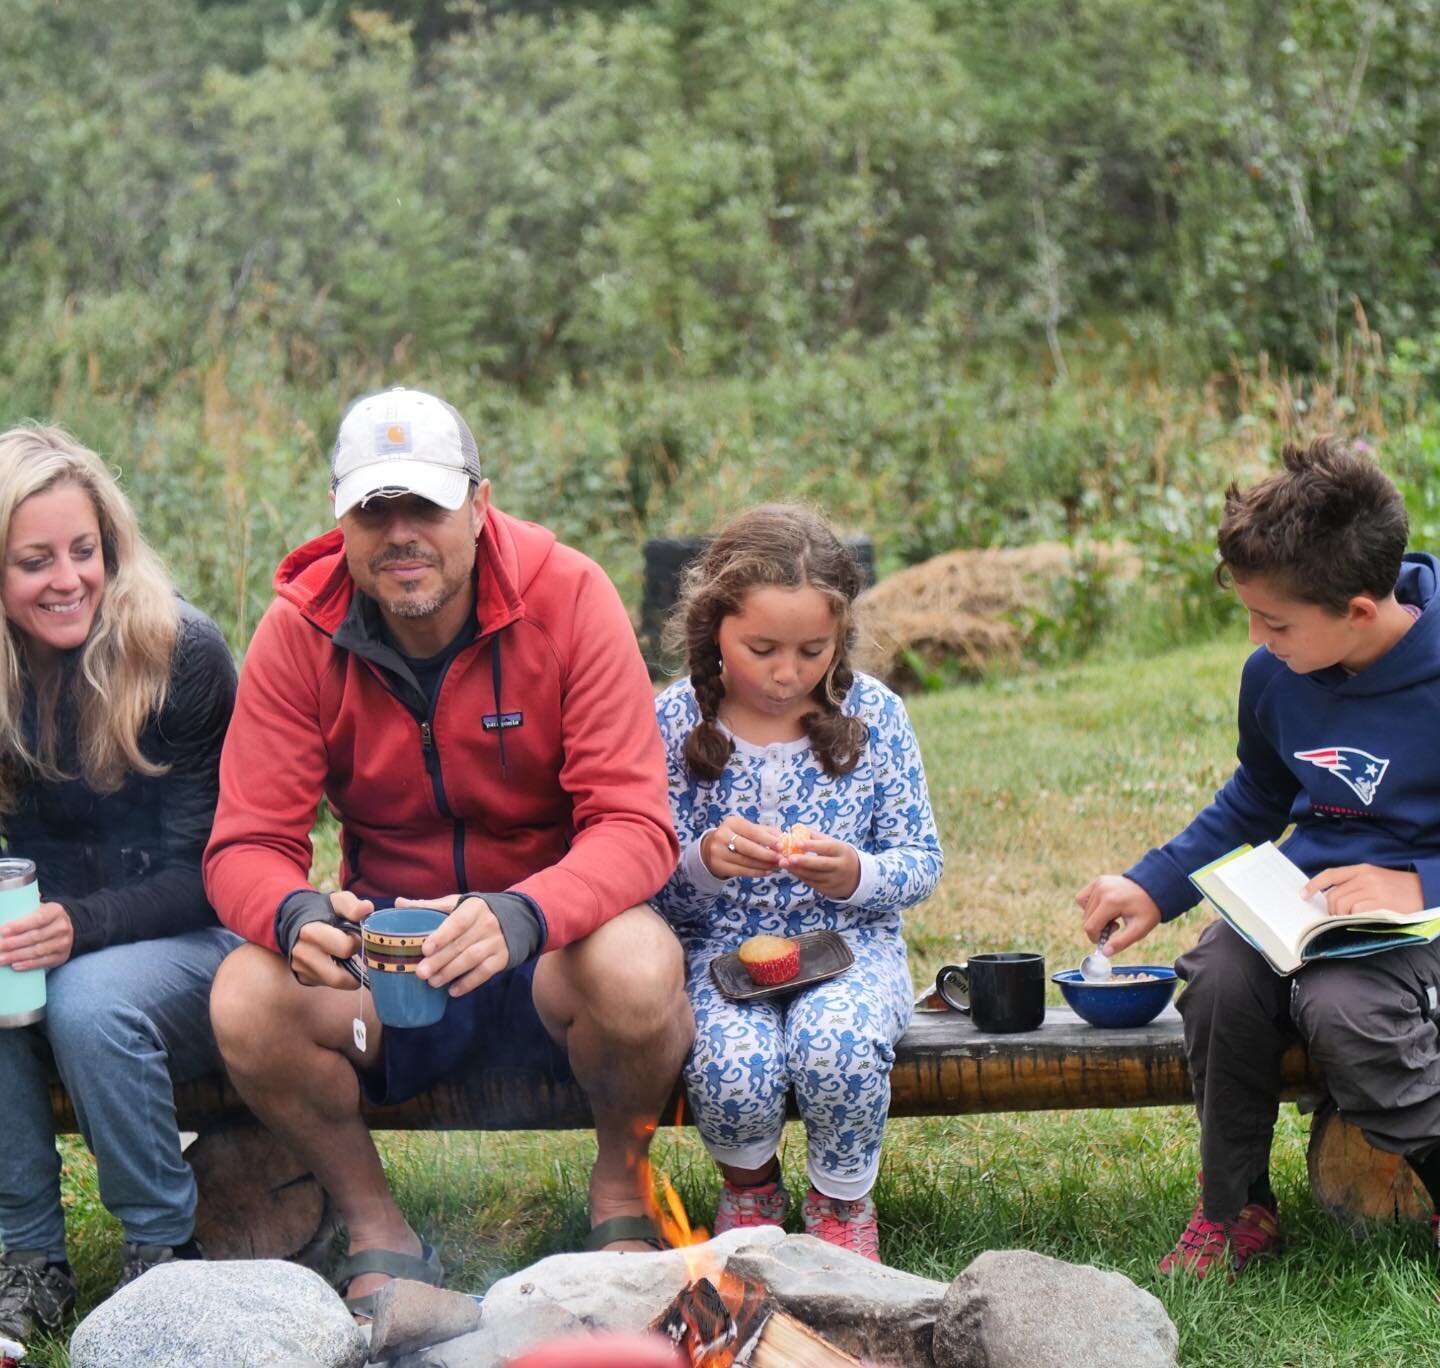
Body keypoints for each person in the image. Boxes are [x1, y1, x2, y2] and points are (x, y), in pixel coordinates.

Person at [204, 387, 691, 1317]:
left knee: (638, 964)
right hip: (393, 963)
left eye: (423, 506)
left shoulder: (569, 595)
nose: (400, 534)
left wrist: (524, 914)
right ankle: (376, 1222)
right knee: (247, 995)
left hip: (555, 948)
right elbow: (244, 846)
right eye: (373, 511)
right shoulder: (299, 630)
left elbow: (635, 825)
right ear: (341, 522)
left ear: (478, 503)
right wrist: (295, 911)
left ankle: (621, 1186)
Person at [1076, 436, 1440, 1278]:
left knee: (1344, 1011)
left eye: (1274, 621)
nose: (1254, 637)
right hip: (1303, 907)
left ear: (1356, 609)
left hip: (1416, 923)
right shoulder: (1273, 676)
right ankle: (1234, 1207)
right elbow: (1255, 800)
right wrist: (1153, 883)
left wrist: (1413, 880)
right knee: (1217, 981)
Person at [651, 504, 944, 1261]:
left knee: (835, 1043)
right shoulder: (672, 723)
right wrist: (704, 862)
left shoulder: (875, 715)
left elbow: (920, 859)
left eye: (814, 649)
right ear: (713, 627)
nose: (786, 673)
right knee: (726, 1059)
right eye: (762, 648)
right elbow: (644, 885)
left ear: (840, 638)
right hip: (720, 952)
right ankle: (750, 1191)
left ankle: (842, 1201)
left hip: (849, 946)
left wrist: (857, 874)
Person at [0, 425, 238, 1342]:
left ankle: (160, 1256)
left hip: (194, 939)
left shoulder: (179, 653)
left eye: (84, 551)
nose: (67, 579)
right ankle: (29, 1258)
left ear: (112, 546)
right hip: (60, 935)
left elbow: (210, 876)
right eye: (33, 561)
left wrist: (77, 925)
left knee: (90, 1002)